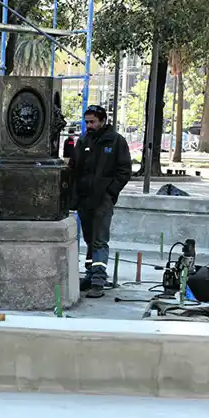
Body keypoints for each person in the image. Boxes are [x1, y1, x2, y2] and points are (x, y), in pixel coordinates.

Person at [69, 104, 132, 294]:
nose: (89, 125)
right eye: (87, 122)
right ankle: (90, 273)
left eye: (93, 122)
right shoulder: (83, 140)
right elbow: (74, 167)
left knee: (99, 240)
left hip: (102, 200)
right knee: (89, 239)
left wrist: (110, 192)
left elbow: (124, 170)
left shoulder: (116, 141)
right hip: (84, 199)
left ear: (103, 121)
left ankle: (98, 279)